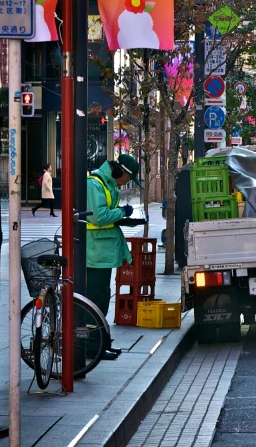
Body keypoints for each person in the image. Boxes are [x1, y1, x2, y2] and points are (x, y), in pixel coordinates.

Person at [86, 154, 146, 360]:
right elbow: (99, 216)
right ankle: (92, 346)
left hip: (102, 251)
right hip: (94, 253)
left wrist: (126, 217)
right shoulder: (94, 184)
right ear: (119, 171)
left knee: (101, 298)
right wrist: (122, 212)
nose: (127, 182)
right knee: (95, 300)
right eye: (128, 178)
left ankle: (100, 343)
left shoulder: (108, 184)